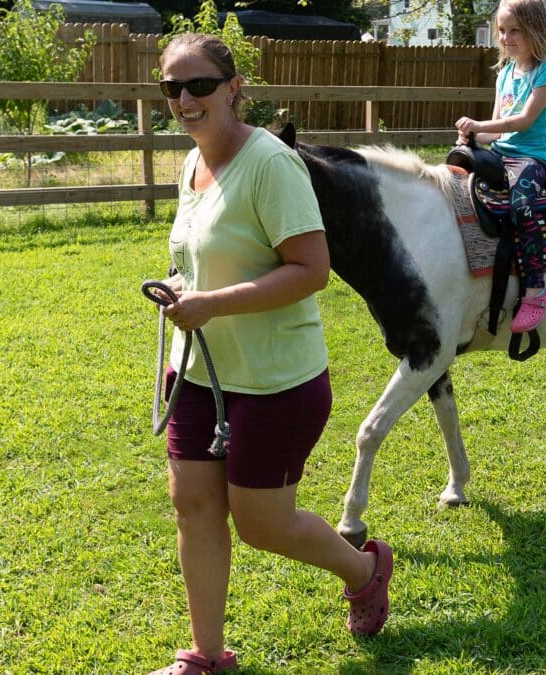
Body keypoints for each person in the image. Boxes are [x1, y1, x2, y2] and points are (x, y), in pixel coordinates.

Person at [148, 33, 393, 675]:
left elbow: (312, 270)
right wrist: (183, 288)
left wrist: (212, 303)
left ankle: (365, 569)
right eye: (172, 87)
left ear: (234, 89)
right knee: (194, 506)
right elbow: (200, 256)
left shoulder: (271, 164)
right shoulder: (193, 163)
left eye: (199, 84)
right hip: (201, 373)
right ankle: (206, 656)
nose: (184, 99)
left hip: (276, 383)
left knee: (262, 524)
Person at [455, 0, 546, 334]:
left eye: (515, 30)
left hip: (534, 156)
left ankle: (535, 291)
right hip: (503, 152)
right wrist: (471, 137)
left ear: (536, 30)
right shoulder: (504, 73)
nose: (506, 37)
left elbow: (525, 120)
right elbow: (499, 129)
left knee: (521, 206)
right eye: (502, 30)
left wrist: (479, 123)